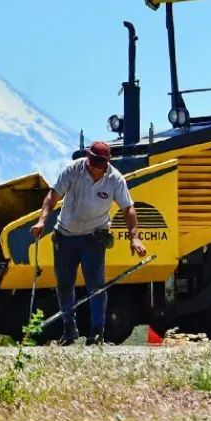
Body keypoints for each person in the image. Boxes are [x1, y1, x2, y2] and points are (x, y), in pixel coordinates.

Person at [30, 141, 147, 346]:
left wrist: (134, 237)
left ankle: (97, 333)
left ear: (107, 163)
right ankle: (69, 330)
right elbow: (53, 196)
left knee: (96, 286)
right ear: (87, 157)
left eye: (99, 166)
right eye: (92, 164)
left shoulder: (115, 179)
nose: (94, 169)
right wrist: (42, 221)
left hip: (94, 237)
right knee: (64, 285)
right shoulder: (72, 170)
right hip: (65, 236)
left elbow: (128, 209)